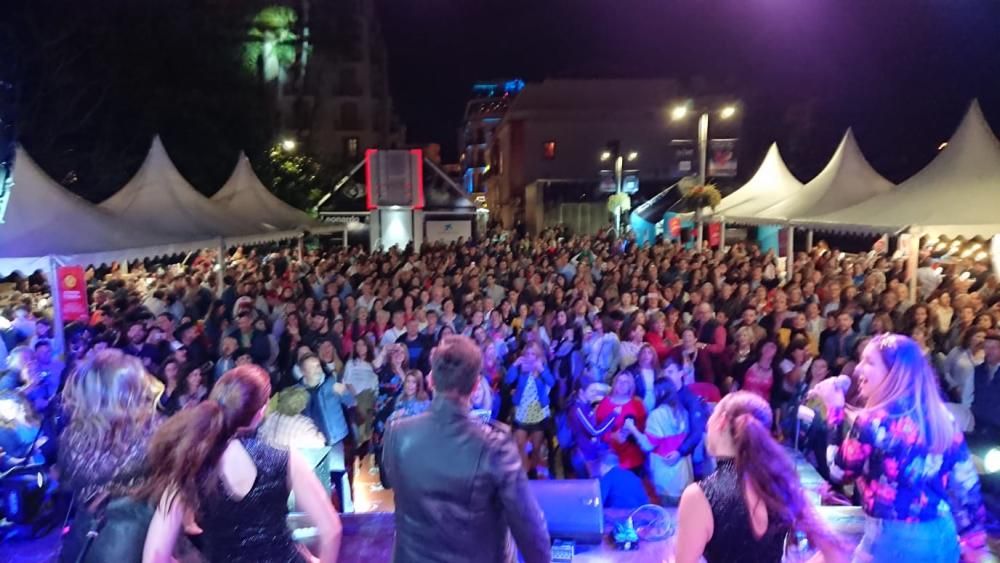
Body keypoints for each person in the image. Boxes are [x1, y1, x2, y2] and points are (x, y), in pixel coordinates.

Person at [140, 365, 342, 563]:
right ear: (260, 413)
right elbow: (331, 530)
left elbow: (155, 556)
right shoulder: (284, 459)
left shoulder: (192, 463)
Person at [381, 335, 551, 563]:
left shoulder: (398, 432)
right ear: (474, 387)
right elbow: (529, 526)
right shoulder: (495, 444)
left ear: (431, 380)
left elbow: (388, 480)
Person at [830, 334, 987, 562]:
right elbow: (965, 486)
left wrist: (834, 412)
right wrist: (974, 541)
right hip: (941, 534)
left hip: (894, 541)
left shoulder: (873, 422)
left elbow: (839, 472)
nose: (858, 370)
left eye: (869, 362)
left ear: (894, 373)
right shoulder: (942, 418)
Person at [674, 391, 846, 563]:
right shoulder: (780, 485)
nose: (707, 424)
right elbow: (835, 551)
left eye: (711, 416)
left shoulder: (699, 497)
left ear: (722, 421)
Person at [59, 349, 161, 563]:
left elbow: (67, 483)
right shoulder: (152, 432)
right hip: (137, 540)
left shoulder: (71, 436)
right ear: (127, 391)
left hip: (86, 537)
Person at [624, 377, 694, 505]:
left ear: (660, 392)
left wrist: (632, 428)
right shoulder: (682, 411)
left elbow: (648, 445)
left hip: (666, 477)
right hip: (684, 474)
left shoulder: (657, 415)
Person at [505, 341, 556, 478]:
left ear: (538, 355)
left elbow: (552, 382)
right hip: (522, 410)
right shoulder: (521, 367)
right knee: (519, 444)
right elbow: (508, 380)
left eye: (533, 353)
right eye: (527, 353)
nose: (530, 356)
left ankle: (533, 470)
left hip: (538, 411)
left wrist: (541, 370)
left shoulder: (542, 366)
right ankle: (524, 472)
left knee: (536, 446)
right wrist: (515, 365)